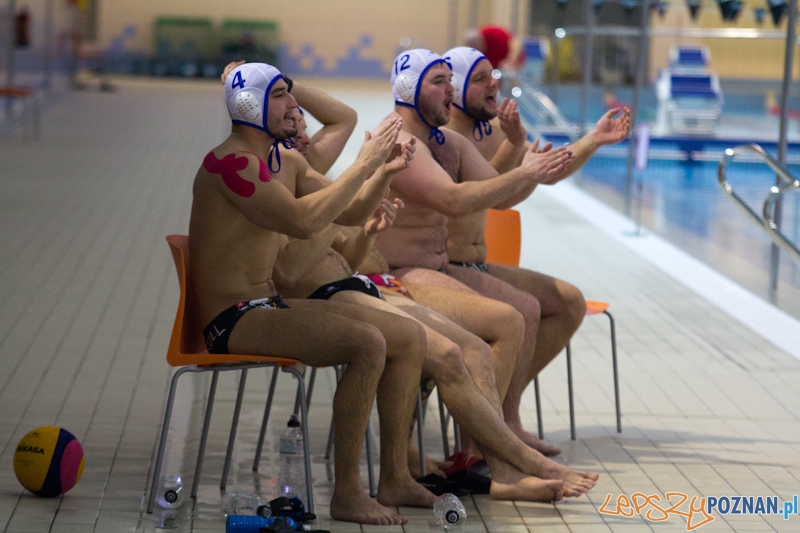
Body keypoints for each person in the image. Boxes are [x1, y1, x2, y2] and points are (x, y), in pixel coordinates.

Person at [191, 62, 432, 525]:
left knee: (405, 336)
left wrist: (382, 171)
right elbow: (303, 221)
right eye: (281, 95)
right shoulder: (229, 163)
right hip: (233, 317)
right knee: (367, 343)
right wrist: (363, 162)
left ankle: (396, 475)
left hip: (265, 306)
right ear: (250, 105)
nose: (294, 105)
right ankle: (347, 493)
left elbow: (350, 212)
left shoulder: (284, 162)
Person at [374, 49, 600, 493]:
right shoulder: (401, 141)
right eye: (439, 81)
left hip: (434, 269)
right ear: (409, 90)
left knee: (517, 313)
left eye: (448, 81)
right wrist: (525, 164)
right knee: (507, 318)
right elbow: (455, 200)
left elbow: (496, 197)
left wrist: (528, 157)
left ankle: (493, 442)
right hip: (398, 276)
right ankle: (494, 453)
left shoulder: (448, 142)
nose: (449, 91)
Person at [274, 198, 593, 501]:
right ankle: (522, 460)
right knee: (444, 353)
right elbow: (288, 271)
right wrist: (347, 201)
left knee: (477, 348)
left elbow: (346, 252)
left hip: (370, 282)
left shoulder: (304, 173)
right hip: (338, 291)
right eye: (298, 134)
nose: (302, 136)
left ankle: (501, 467)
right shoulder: (273, 179)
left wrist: (365, 222)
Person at [442, 46, 631, 451]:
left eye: (493, 74)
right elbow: (485, 194)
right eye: (480, 79)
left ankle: (506, 411)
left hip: (477, 265)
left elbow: (537, 175)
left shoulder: (490, 130)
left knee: (568, 302)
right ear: (454, 90)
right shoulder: (442, 140)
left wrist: (594, 140)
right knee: (522, 310)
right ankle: (496, 424)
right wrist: (517, 148)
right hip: (445, 269)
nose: (496, 82)